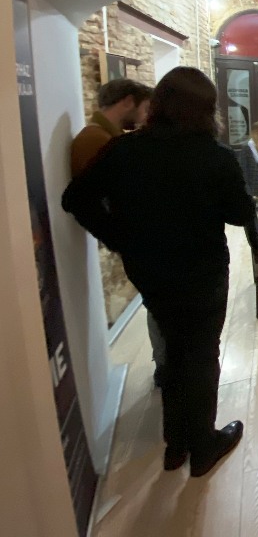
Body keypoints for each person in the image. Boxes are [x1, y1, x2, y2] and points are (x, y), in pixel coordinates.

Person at [62, 67, 258, 477]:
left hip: (149, 270)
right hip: (202, 271)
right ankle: (203, 447)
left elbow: (76, 199)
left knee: (173, 350)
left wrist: (118, 237)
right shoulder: (214, 156)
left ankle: (176, 444)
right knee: (201, 353)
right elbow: (240, 213)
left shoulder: (124, 150)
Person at [70, 78, 168, 387]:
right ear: (127, 101)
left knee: (160, 307)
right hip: (140, 241)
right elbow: (86, 199)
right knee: (161, 307)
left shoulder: (107, 138)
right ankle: (167, 369)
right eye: (144, 107)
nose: (145, 115)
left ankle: (167, 367)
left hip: (142, 240)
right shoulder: (97, 141)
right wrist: (118, 236)